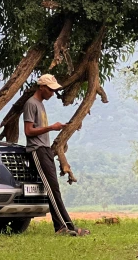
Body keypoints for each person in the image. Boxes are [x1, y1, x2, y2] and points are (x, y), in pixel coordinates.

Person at [23, 73, 89, 236]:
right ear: (42, 87)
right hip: (37, 150)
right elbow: (28, 131)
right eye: (51, 90)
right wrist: (51, 128)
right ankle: (63, 227)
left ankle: (66, 227)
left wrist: (66, 127)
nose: (53, 93)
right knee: (52, 190)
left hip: (45, 149)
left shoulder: (40, 104)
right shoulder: (31, 104)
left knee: (55, 189)